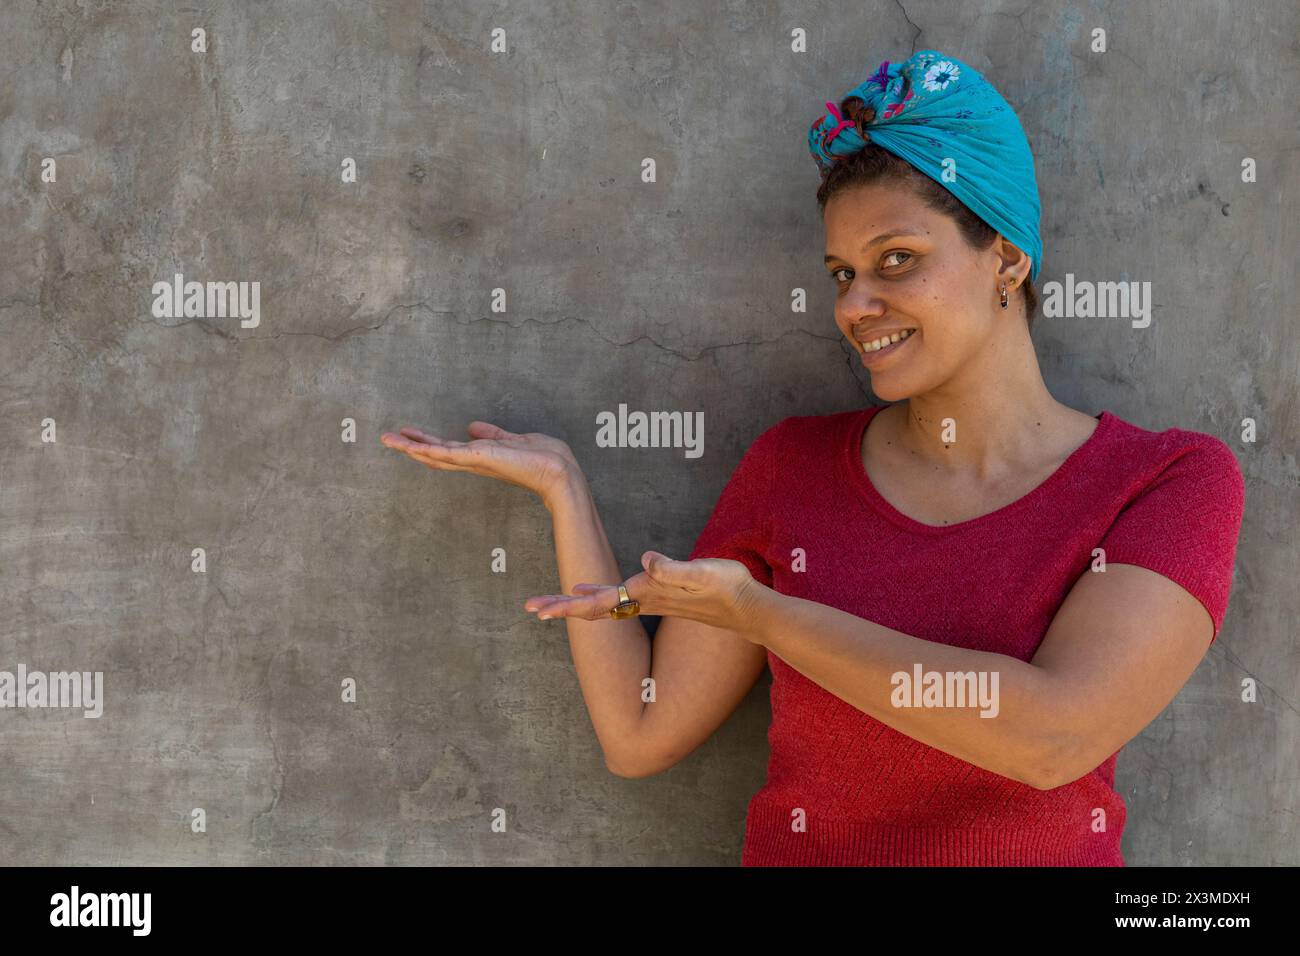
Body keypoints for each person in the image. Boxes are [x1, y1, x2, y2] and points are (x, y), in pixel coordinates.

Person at [380, 50, 1245, 866]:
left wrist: (764, 616)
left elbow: (1053, 736)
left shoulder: (1168, 482)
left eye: (896, 261)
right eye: (841, 274)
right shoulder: (792, 467)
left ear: (1007, 260)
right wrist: (568, 494)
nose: (857, 305)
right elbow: (642, 733)